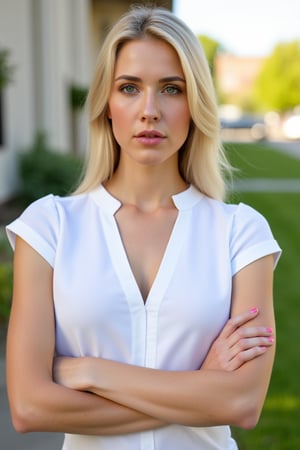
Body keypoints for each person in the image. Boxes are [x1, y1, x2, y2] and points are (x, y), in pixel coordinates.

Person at [6, 5, 281, 450]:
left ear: (194, 105)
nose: (149, 110)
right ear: (106, 105)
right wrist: (201, 388)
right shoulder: (49, 227)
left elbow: (243, 402)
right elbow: (30, 406)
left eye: (171, 89)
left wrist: (92, 372)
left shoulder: (241, 233)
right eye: (129, 88)